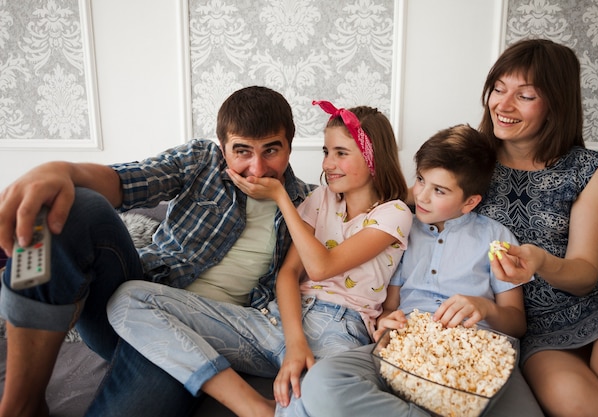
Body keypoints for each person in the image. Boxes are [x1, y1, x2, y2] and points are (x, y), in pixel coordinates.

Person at [0, 86, 315, 417]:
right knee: (78, 205)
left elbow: (344, 265)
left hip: (198, 336)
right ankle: (22, 403)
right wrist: (63, 170)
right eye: (242, 151)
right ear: (223, 148)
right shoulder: (201, 161)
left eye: (271, 151)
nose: (257, 168)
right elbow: (126, 181)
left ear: (289, 148)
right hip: (132, 302)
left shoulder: (311, 205)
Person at [106, 101, 413, 417]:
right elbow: (289, 274)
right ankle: (252, 407)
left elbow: (322, 267)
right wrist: (294, 343)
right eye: (326, 152)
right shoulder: (320, 199)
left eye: (341, 153)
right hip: (274, 320)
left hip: (339, 329)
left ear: (373, 157)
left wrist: (281, 197)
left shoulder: (394, 214)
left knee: (317, 403)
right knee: (128, 299)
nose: (328, 164)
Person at [291, 123, 545, 417]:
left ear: (470, 202)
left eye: (439, 190)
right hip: (408, 350)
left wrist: (483, 307)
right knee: (321, 382)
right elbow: (390, 307)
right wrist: (385, 322)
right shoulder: (401, 228)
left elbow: (517, 324)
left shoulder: (495, 237)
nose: (422, 196)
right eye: (421, 180)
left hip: (477, 355)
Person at [477, 39, 598, 416]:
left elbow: (585, 276)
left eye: (524, 95)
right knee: (577, 403)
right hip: (536, 327)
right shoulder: (469, 160)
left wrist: (540, 261)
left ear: (555, 103)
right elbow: (413, 197)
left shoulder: (590, 168)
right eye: (498, 89)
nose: (503, 105)